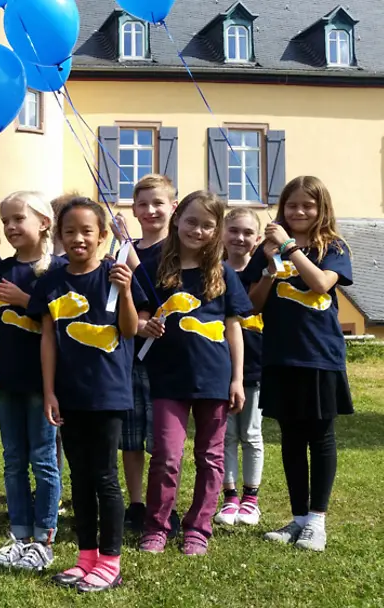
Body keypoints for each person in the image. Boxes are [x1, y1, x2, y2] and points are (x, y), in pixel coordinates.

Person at [32, 197, 144, 592]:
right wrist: (49, 391)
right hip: (69, 392)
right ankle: (86, 557)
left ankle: (110, 561)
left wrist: (126, 292)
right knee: (78, 477)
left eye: (86, 231)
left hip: (108, 394)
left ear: (101, 236)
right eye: (69, 231)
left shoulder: (115, 275)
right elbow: (47, 339)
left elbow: (130, 330)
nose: (78, 238)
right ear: (59, 236)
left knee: (103, 477)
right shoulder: (51, 282)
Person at [135, 190, 251, 556]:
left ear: (216, 230)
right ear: (177, 219)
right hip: (167, 377)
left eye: (206, 225)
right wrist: (143, 326)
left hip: (214, 379)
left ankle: (198, 528)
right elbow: (136, 314)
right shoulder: (153, 265)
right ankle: (157, 526)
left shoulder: (223, 273)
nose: (197, 230)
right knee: (167, 455)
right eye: (191, 221)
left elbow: (234, 329)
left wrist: (237, 379)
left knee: (210, 457)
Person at [245, 176, 353, 552]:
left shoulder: (333, 247)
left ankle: (318, 521)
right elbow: (253, 305)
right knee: (291, 439)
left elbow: (322, 283)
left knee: (320, 437)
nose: (299, 212)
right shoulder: (268, 250)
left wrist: (290, 248)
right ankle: (299, 518)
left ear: (321, 208)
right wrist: (268, 269)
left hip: (320, 357)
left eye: (307, 205)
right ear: (282, 209)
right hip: (279, 356)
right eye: (292, 206)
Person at [0, 192, 64, 571]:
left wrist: (24, 299)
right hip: (7, 380)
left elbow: (60, 323)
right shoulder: (1, 269)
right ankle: (19, 534)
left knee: (44, 459)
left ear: (43, 223)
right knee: (12, 459)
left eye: (18, 219)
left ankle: (44, 538)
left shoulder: (57, 270)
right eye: (6, 221)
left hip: (42, 383)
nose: (10, 227)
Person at [116, 174, 180, 535]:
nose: (151, 210)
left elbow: (160, 289)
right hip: (132, 355)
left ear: (173, 206)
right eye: (143, 204)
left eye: (158, 203)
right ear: (134, 209)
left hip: (169, 359)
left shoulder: (181, 248)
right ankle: (137, 503)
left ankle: (163, 505)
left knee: (164, 441)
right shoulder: (125, 248)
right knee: (131, 435)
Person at [214, 209, 266, 527]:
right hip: (220, 368)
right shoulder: (214, 273)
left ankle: (251, 499)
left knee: (251, 433)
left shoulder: (263, 275)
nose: (240, 238)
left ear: (257, 239)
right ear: (222, 234)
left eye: (248, 232)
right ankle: (230, 498)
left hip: (256, 368)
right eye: (233, 231)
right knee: (226, 436)